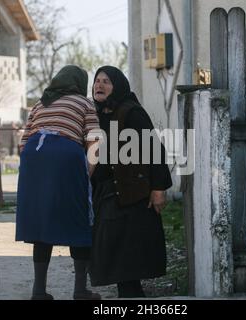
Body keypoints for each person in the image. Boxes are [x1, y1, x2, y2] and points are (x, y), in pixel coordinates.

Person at [16, 65, 101, 300]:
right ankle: (80, 290)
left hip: (34, 155)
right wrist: (86, 174)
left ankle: (39, 291)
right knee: (79, 218)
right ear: (79, 83)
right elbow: (95, 141)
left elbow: (23, 144)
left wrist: (35, 173)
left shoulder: (40, 103)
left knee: (43, 222)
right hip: (65, 153)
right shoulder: (84, 103)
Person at [89, 66, 173, 298]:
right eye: (97, 81)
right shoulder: (96, 115)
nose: (99, 85)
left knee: (128, 253)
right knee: (115, 251)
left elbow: (154, 150)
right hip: (109, 192)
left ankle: (131, 295)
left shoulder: (131, 112)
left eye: (106, 81)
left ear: (118, 86)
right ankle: (130, 294)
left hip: (133, 194)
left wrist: (158, 189)